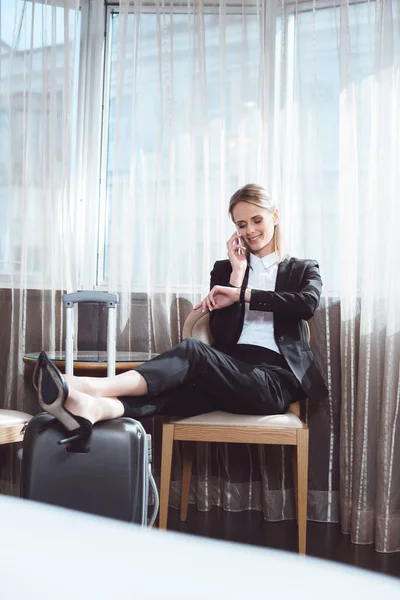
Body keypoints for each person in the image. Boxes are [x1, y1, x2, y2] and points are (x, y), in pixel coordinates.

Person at [33, 183, 328, 447]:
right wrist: (237, 276)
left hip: (272, 383)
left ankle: (86, 386)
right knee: (173, 392)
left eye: (257, 220)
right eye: (241, 224)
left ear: (274, 216)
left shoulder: (302, 269)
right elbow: (223, 336)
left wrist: (242, 295)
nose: (249, 231)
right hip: (230, 372)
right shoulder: (225, 270)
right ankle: (96, 410)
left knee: (193, 352)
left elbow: (306, 304)